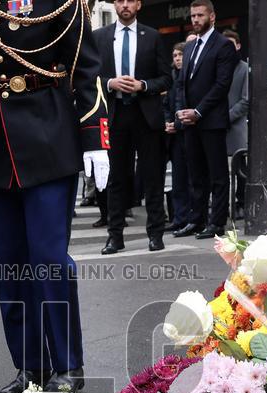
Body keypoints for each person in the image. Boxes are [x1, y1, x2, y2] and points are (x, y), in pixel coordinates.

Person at [0, 0, 110, 393]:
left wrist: (94, 137)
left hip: (48, 140)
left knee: (48, 260)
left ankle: (68, 364)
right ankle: (31, 366)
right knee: (11, 267)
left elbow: (85, 66)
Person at [95, 0, 171, 256]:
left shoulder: (153, 36)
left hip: (146, 114)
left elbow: (166, 77)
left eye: (129, 1)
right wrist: (110, 83)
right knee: (117, 178)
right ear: (114, 5)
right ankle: (114, 236)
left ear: (138, 4)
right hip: (115, 114)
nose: (124, 5)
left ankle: (156, 234)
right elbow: (88, 76)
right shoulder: (100, 37)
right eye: (119, 1)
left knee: (152, 177)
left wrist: (144, 86)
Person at [173, 0, 238, 240]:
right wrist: (181, 112)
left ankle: (217, 223)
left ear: (212, 16)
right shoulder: (189, 47)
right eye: (192, 16)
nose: (195, 20)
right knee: (195, 175)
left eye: (200, 15)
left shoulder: (223, 46)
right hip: (189, 122)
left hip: (211, 121)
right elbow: (181, 84)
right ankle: (196, 220)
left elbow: (221, 85)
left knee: (218, 175)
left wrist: (197, 111)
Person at [164, 42, 194, 233]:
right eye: (174, 55)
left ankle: (191, 217)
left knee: (192, 178)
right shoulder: (171, 77)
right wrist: (167, 122)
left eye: (180, 55)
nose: (177, 59)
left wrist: (178, 123)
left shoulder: (190, 76)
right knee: (178, 179)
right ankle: (179, 217)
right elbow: (167, 103)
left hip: (189, 130)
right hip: (175, 133)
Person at [222, 29, 249, 221]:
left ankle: (241, 204)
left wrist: (226, 116)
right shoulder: (218, 67)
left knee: (240, 169)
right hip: (217, 126)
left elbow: (246, 100)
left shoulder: (244, 68)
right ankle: (222, 205)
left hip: (236, 126)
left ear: (238, 46)